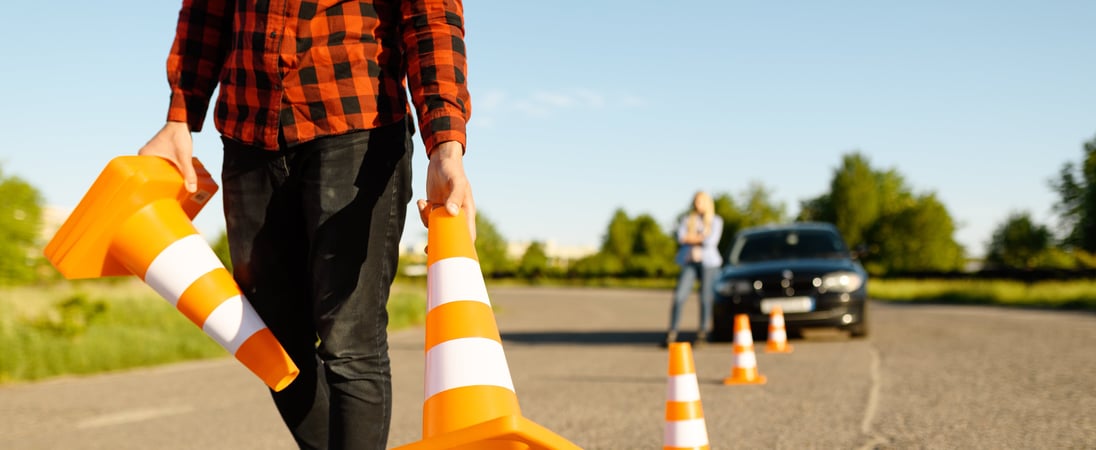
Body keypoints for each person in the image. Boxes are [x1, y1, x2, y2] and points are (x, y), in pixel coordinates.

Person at [137, 1, 474, 448]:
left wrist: (445, 144)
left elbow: (431, 17)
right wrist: (180, 113)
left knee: (350, 343)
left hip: (357, 125)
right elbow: (205, 10)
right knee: (271, 342)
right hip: (248, 131)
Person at [665, 191, 723, 347]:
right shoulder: (687, 220)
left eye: (700, 202)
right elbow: (682, 238)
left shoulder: (716, 221)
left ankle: (703, 332)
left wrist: (693, 238)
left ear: (707, 203)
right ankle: (672, 331)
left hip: (708, 263)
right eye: (696, 202)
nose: (697, 205)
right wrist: (700, 237)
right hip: (689, 261)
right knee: (679, 296)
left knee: (705, 298)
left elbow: (711, 242)